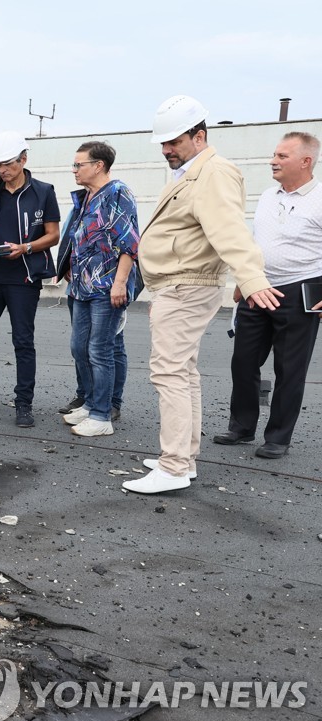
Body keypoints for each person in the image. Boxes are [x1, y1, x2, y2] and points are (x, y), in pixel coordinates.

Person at [122, 95, 282, 495]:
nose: (166, 150)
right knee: (183, 371)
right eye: (163, 142)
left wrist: (253, 277)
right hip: (179, 283)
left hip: (186, 284)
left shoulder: (214, 173)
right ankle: (183, 458)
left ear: (199, 136)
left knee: (169, 372)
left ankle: (174, 465)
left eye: (174, 141)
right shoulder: (192, 171)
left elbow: (229, 229)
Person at [212, 132, 322, 459]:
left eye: (282, 156)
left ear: (306, 161)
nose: (273, 160)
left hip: (300, 289)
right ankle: (242, 426)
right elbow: (255, 241)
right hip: (257, 288)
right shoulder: (267, 196)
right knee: (243, 361)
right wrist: (241, 282)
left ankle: (277, 437)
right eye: (274, 154)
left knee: (289, 369)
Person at [0, 131, 61, 428]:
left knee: (23, 341)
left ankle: (24, 404)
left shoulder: (43, 191)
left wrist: (26, 248)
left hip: (24, 276)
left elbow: (53, 234)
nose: (2, 170)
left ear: (23, 159)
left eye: (8, 164)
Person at [59, 142, 140, 437]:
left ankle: (102, 415)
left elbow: (129, 243)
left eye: (79, 165)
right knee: (79, 347)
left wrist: (119, 282)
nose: (74, 170)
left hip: (106, 287)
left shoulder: (117, 193)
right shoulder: (87, 197)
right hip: (81, 286)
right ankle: (91, 402)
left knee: (100, 350)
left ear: (99, 166)